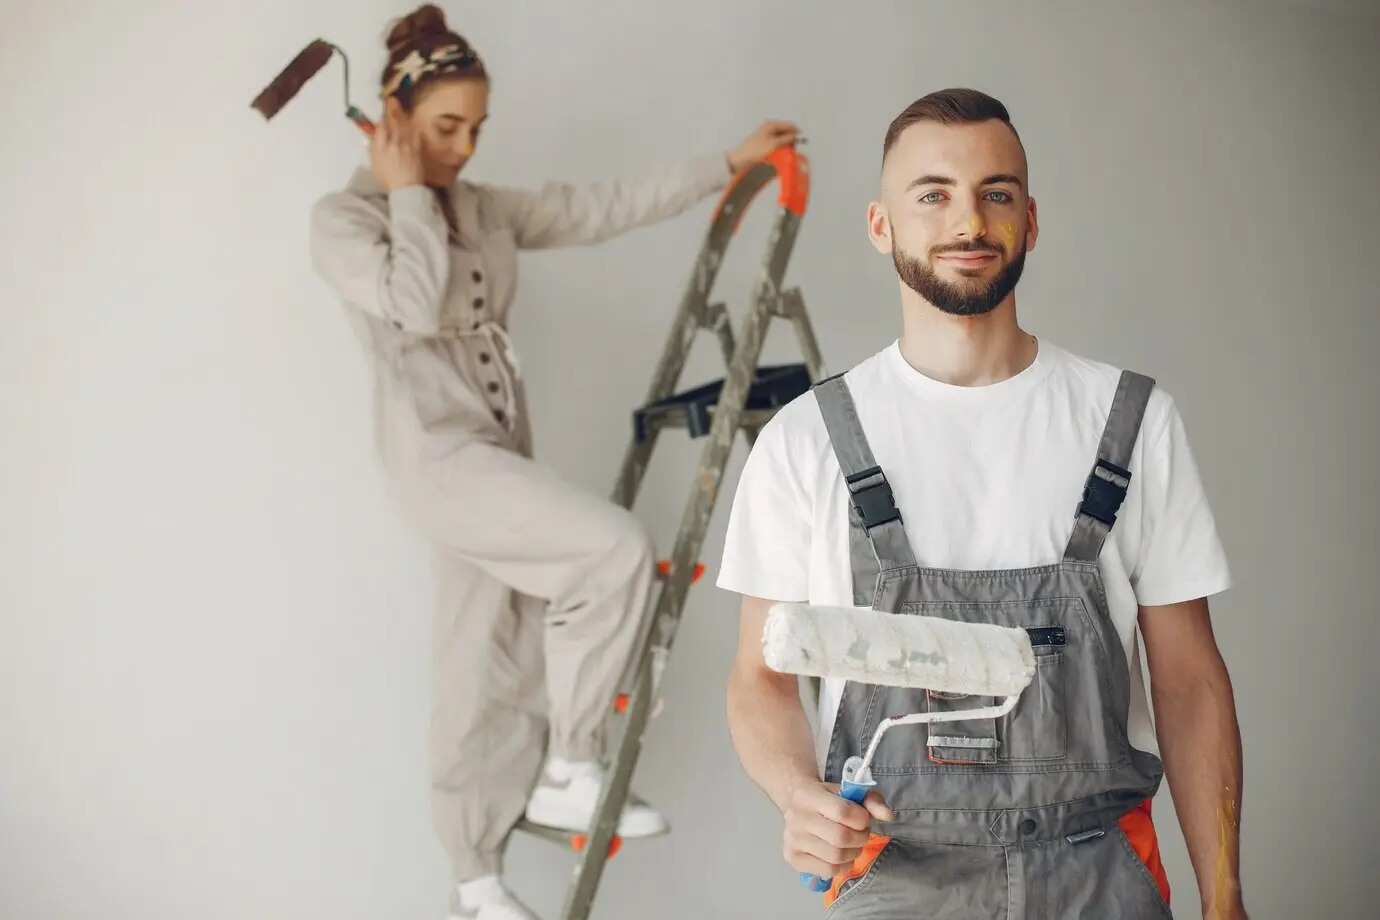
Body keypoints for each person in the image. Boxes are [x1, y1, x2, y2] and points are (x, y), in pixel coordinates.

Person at [307, 5, 799, 918]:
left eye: (476, 128)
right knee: (610, 552)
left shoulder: (481, 208)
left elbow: (595, 208)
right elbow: (414, 304)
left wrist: (726, 164)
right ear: (392, 114)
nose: (463, 148)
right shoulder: (343, 221)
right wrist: (406, 193)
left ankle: (474, 880)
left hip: (495, 455)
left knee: (482, 657)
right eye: (445, 126)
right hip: (439, 463)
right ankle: (570, 766)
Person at [718, 88, 1248, 919]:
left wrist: (1224, 896)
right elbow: (760, 678)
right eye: (933, 195)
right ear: (880, 225)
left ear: (1029, 221)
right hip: (894, 874)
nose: (968, 222)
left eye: (995, 194)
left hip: (1100, 877)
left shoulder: (1131, 422)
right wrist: (796, 795)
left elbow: (1188, 681)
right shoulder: (807, 439)